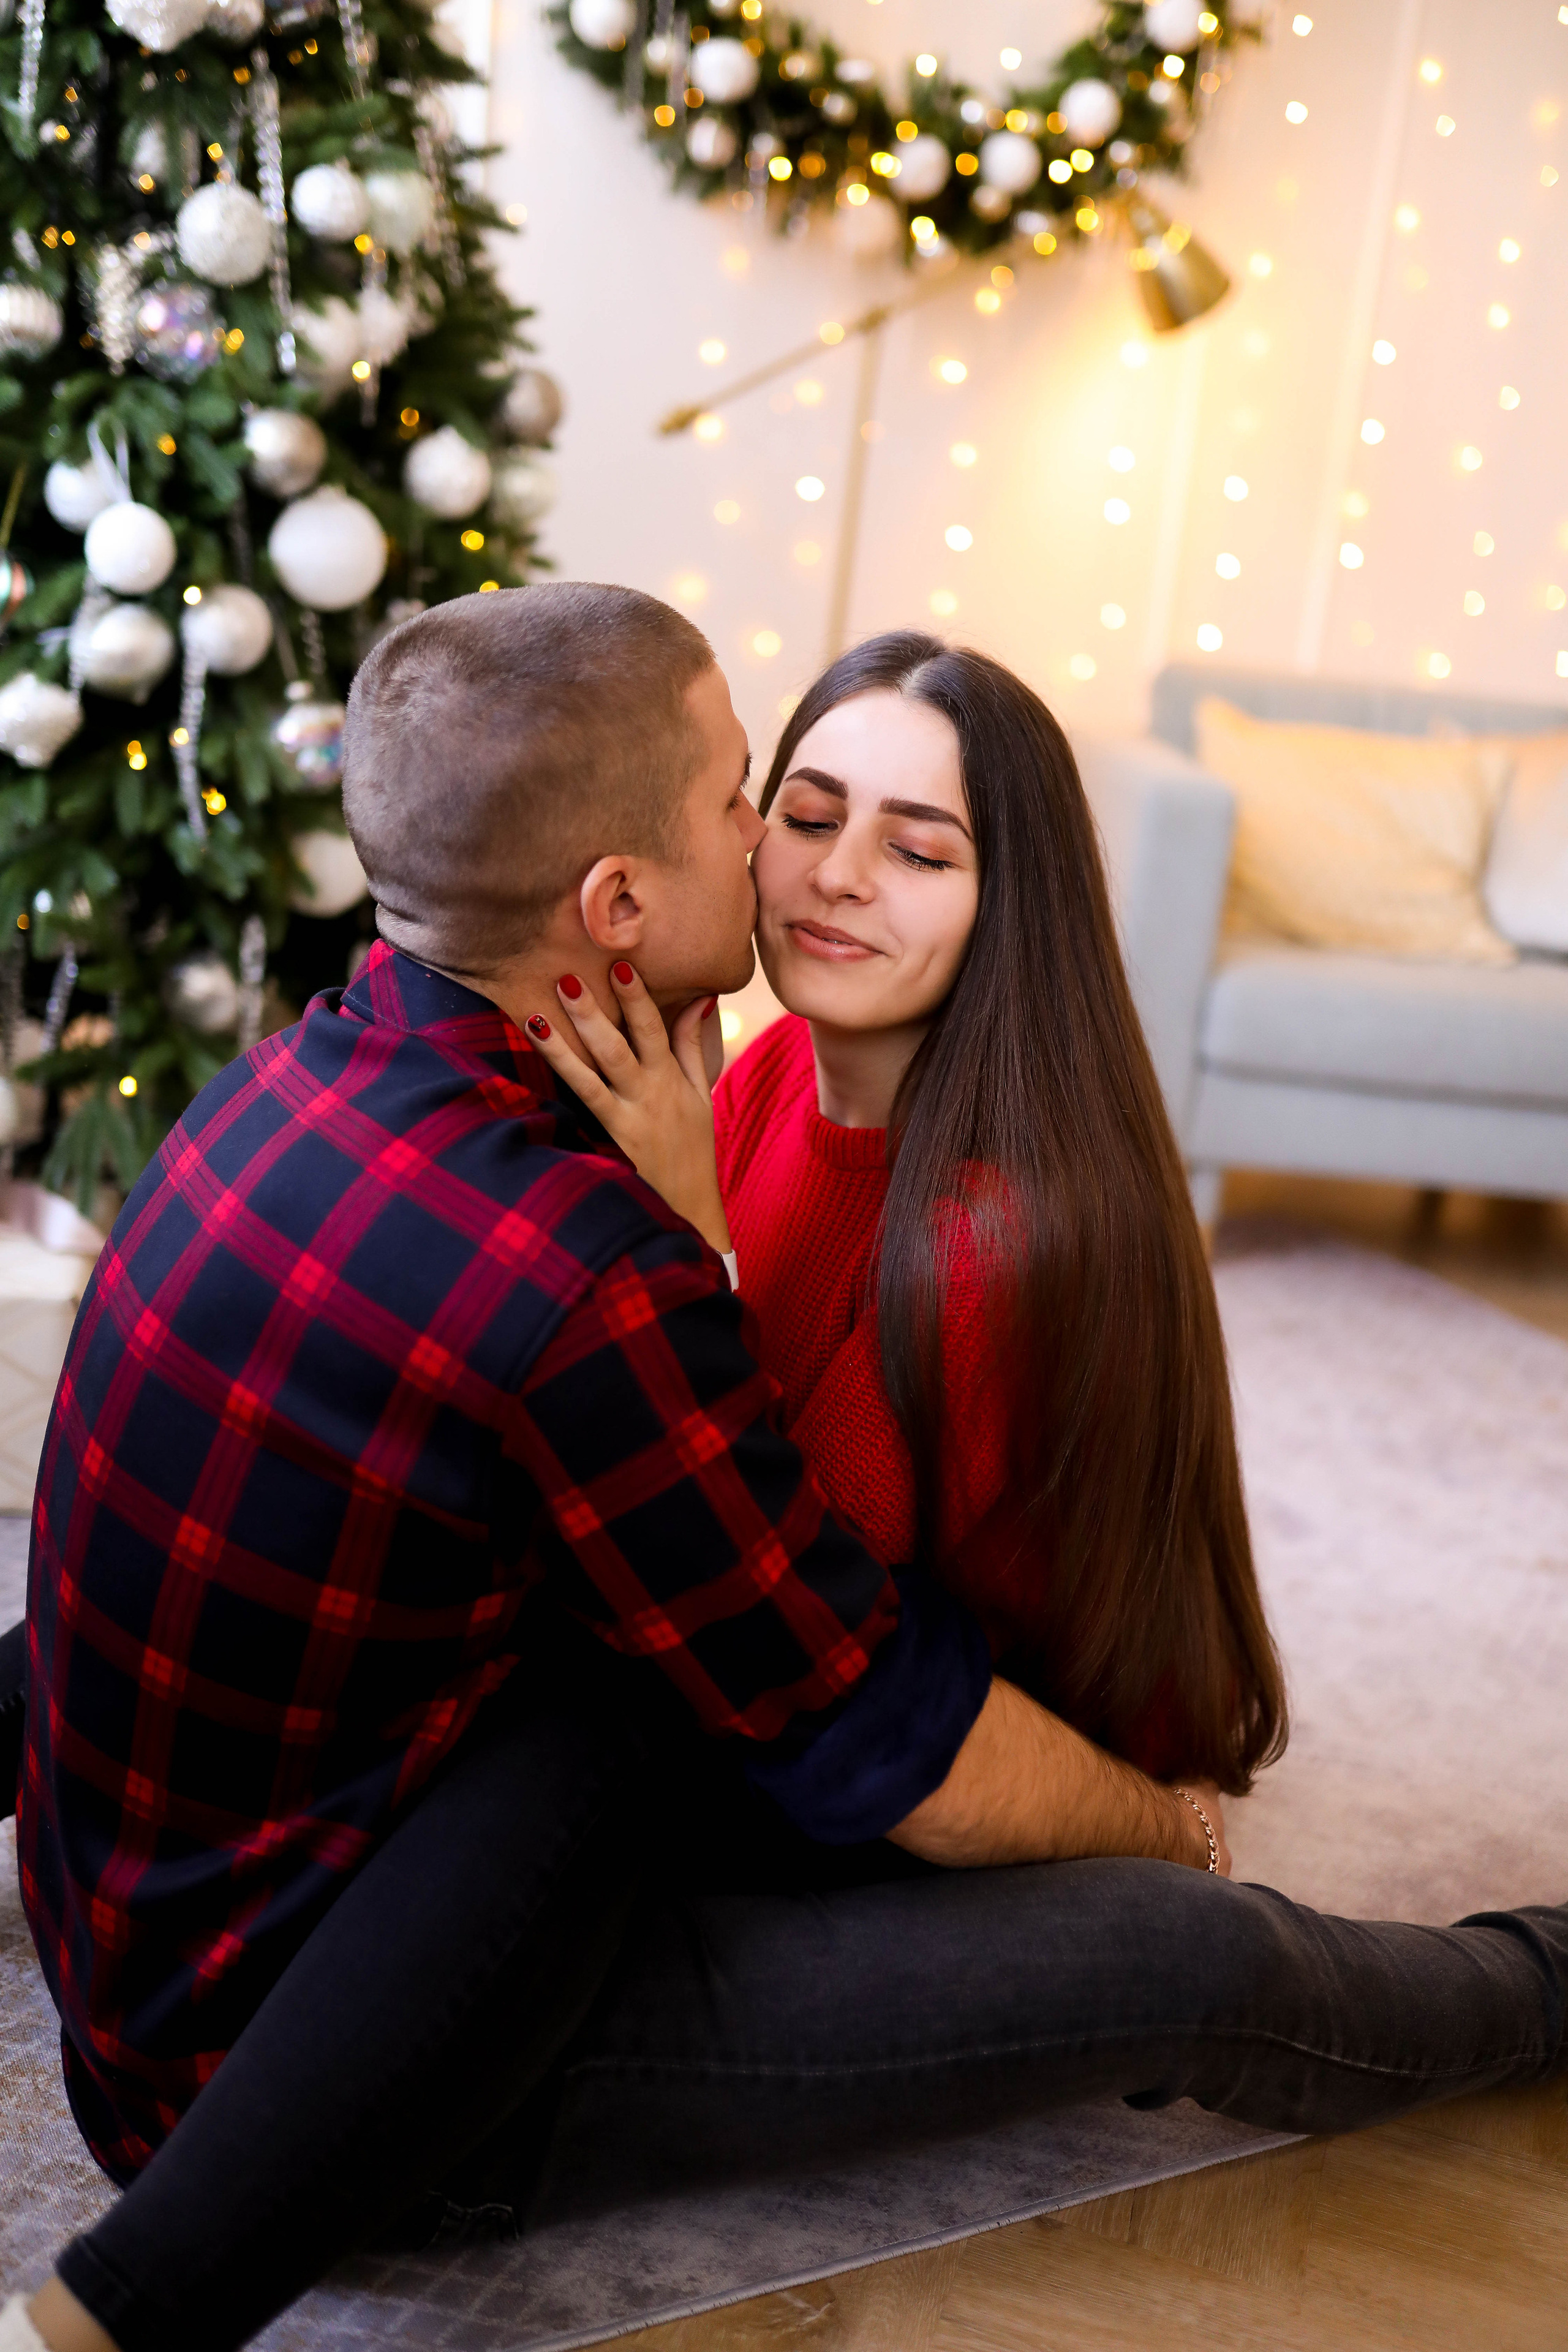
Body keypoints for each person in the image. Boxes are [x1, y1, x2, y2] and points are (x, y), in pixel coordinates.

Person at [2, 588, 1565, 2352]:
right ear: (617, 902)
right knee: (566, 1686)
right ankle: (115, 2315)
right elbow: (801, 1657)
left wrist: (688, 1268)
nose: (799, 864)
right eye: (774, 804)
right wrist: (683, 1253)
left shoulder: (308, 1076)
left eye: (916, 847)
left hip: (721, 1782)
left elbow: (833, 1662)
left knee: (1112, 1921)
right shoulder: (654, 1177)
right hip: (382, 2041)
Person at [530, 630, 1283, 1793]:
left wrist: (692, 1234)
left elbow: (783, 1596)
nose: (840, 876)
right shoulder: (774, 1063)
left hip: (983, 1756)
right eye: (812, 819)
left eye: (920, 855)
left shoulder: (998, 1235)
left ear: (1008, 907)